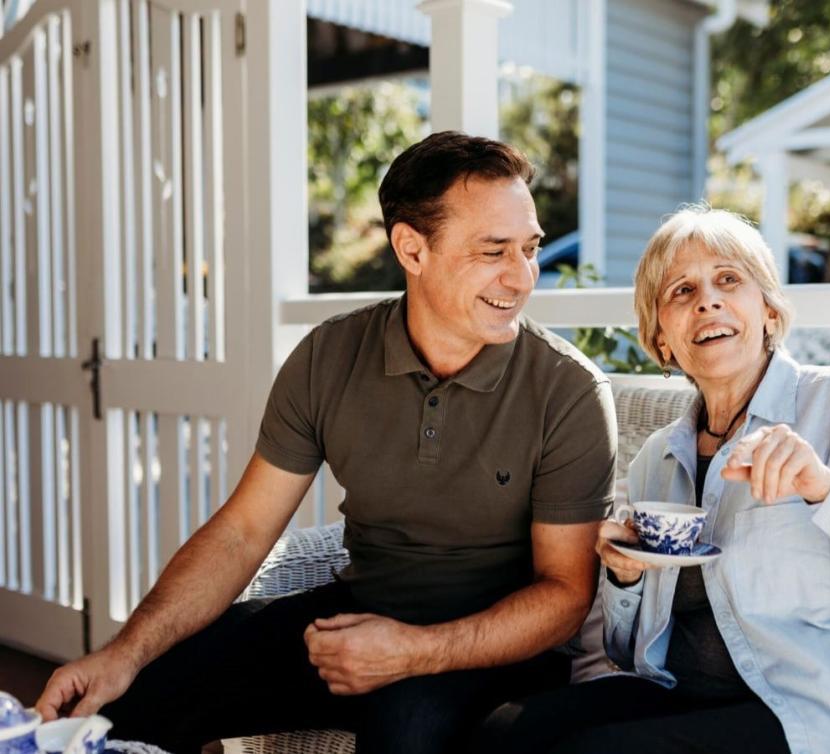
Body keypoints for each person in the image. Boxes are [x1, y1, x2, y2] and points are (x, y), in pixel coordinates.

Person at [35, 132, 617, 754]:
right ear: (411, 249)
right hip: (353, 618)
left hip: (495, 647)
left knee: (408, 731)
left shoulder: (570, 389)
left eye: (529, 249)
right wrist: (125, 654)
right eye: (493, 251)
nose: (522, 277)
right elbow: (242, 531)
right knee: (133, 694)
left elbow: (564, 595)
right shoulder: (329, 356)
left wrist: (414, 652)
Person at [479, 206, 830, 754]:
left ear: (767, 311)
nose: (707, 301)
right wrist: (624, 581)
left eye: (728, 280)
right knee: (504, 730)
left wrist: (826, 489)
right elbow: (627, 655)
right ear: (662, 340)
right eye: (681, 292)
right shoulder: (657, 462)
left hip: (822, 718)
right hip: (687, 699)